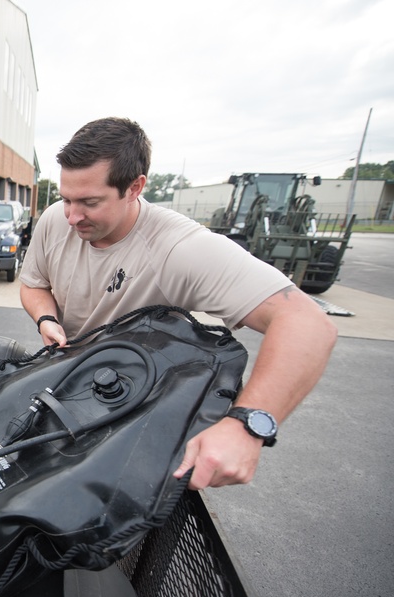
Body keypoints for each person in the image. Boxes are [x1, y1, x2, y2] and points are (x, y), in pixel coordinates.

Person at [19, 117, 336, 491]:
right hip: (67, 381)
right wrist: (45, 319)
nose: (72, 216)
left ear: (135, 187)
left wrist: (245, 426)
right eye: (66, 198)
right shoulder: (57, 221)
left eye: (90, 202)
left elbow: (308, 323)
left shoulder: (179, 249)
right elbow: (34, 284)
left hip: (132, 411)